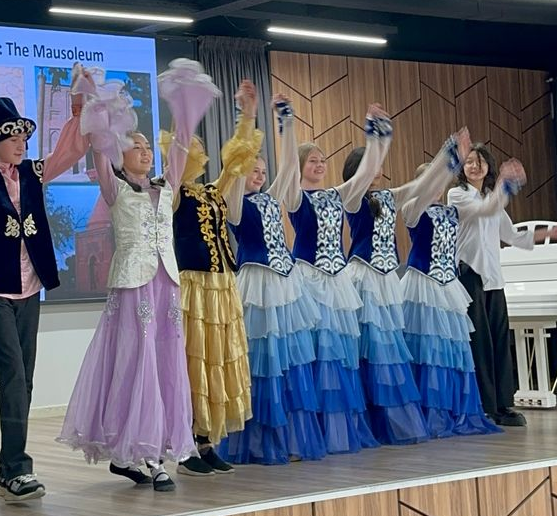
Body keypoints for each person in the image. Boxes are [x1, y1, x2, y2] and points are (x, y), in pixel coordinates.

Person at [58, 60, 219, 489]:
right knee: (136, 362)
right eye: (136, 146)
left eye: (148, 148)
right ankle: (145, 455)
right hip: (133, 285)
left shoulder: (165, 188)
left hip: (166, 285)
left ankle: (150, 448)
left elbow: (181, 146)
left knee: (165, 364)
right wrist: (90, 97)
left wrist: (184, 107)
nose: (146, 152)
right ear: (120, 153)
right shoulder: (115, 188)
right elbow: (98, 147)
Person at [0, 85, 87, 504]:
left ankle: (8, 471)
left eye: (24, 139)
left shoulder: (32, 173)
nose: (21, 145)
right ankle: (16, 468)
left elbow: (70, 151)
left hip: (30, 285)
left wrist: (78, 112)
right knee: (12, 374)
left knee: (24, 378)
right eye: (13, 138)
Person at [276, 100, 394, 454]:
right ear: (300, 167)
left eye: (322, 159)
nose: (320, 164)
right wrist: (286, 122)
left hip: (336, 282)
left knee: (338, 356)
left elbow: (366, 172)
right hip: (308, 279)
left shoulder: (336, 195)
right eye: (312, 160)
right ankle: (309, 433)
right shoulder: (295, 196)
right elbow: (286, 165)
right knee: (314, 355)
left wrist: (376, 133)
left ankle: (336, 431)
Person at [219, 99, 324, 463]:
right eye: (254, 170)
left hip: (284, 285)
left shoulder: (271, 199)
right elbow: (235, 177)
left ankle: (289, 439)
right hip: (257, 285)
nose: (260, 175)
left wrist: (287, 124)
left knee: (288, 362)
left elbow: (291, 166)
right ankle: (260, 442)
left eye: (263, 171)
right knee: (263, 362)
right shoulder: (235, 204)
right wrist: (245, 130)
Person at [166, 73, 258, 475]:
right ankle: (185, 441)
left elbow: (236, 166)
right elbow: (174, 162)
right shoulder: (173, 193)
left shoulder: (210, 192)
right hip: (194, 286)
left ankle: (205, 440)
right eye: (193, 146)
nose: (199, 151)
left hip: (222, 285)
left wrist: (247, 117)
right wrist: (182, 114)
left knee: (217, 361)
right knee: (193, 363)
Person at [449, 143, 557, 427]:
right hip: (469, 277)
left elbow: (512, 236)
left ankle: (503, 405)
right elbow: (483, 210)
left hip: (493, 279)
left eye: (480, 161)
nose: (474, 166)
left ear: (488, 167)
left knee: (500, 344)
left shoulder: (492, 198)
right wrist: (505, 184)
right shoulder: (457, 195)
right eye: (469, 162)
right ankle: (485, 406)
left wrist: (548, 233)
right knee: (480, 345)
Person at [400, 130, 501, 437]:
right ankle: (431, 412)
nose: (435, 189)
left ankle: (457, 409)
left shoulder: (451, 212)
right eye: (430, 183)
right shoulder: (412, 210)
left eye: (438, 184)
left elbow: (484, 214)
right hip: (424, 286)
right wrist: (449, 158)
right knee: (429, 349)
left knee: (454, 350)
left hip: (449, 287)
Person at [341, 145, 431, 446]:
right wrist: (377, 139)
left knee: (388, 348)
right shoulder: (352, 197)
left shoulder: (389, 197)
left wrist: (449, 158)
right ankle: (370, 418)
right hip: (365, 276)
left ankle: (388, 419)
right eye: (372, 164)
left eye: (379, 164)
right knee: (371, 348)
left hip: (387, 278)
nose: (377, 169)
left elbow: (420, 185)